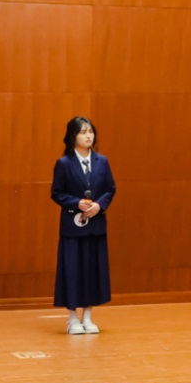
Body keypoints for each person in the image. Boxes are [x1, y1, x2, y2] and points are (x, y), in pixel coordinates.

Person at [50, 116, 115, 335]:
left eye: (91, 132)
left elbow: (110, 189)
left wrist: (99, 205)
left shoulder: (102, 161)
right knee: (72, 269)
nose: (88, 136)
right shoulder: (64, 163)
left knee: (92, 269)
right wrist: (76, 203)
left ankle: (88, 316)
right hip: (72, 226)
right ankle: (72, 318)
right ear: (73, 136)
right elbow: (56, 193)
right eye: (83, 132)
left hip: (95, 225)